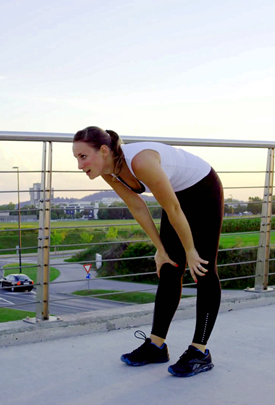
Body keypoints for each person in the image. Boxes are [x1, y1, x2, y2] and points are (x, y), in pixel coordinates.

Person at [73, 126, 224, 378]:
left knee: (203, 268)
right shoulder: (108, 172)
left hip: (203, 189)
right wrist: (161, 250)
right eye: (77, 158)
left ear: (103, 150)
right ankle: (156, 345)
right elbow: (138, 207)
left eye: (83, 157)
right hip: (176, 196)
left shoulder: (140, 162)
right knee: (169, 267)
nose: (79, 165)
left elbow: (174, 209)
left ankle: (200, 351)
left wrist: (190, 250)